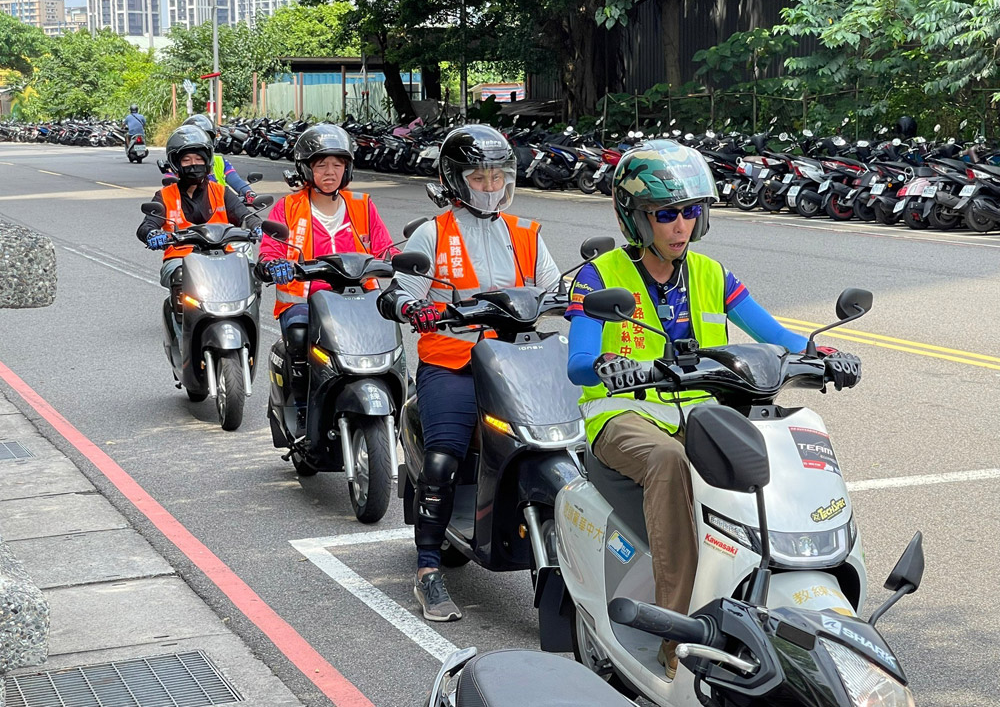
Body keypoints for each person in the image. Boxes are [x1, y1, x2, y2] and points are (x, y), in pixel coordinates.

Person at [565, 140, 861, 679]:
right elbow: (579, 361)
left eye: (690, 212)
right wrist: (609, 364)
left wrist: (823, 353)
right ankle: (674, 638)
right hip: (624, 418)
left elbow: (773, 334)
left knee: (776, 454)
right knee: (667, 464)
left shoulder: (709, 273)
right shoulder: (598, 277)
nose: (681, 225)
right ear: (635, 216)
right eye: (666, 214)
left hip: (701, 414)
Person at [376, 124, 562, 622]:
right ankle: (428, 570)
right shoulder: (432, 232)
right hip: (452, 364)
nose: (490, 185)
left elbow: (557, 286)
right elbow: (396, 292)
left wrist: (581, 297)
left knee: (567, 444)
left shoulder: (525, 232)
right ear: (456, 181)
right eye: (479, 176)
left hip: (516, 364)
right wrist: (413, 309)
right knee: (442, 458)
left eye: (497, 175)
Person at [255, 124, 396, 433]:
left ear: (347, 169)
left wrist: (401, 263)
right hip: (305, 302)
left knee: (391, 344)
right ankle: (304, 414)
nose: (330, 172)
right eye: (321, 165)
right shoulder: (288, 208)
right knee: (300, 338)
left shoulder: (362, 206)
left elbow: (385, 249)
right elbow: (270, 250)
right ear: (307, 169)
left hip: (360, 300)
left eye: (338, 164)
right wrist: (272, 264)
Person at [136, 125, 262, 294]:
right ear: (176, 163)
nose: (193, 164)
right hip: (180, 258)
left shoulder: (220, 191)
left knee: (251, 276)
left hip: (224, 256)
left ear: (207, 161)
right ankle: (181, 318)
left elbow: (244, 216)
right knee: (180, 277)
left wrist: (257, 226)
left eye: (198, 159)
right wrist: (152, 234)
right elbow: (147, 226)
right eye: (186, 160)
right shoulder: (164, 196)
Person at [181, 114, 257, 202]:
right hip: (189, 209)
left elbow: (236, 181)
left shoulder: (220, 161)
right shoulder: (176, 162)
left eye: (205, 137)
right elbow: (170, 184)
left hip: (222, 207)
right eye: (195, 138)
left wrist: (248, 193)